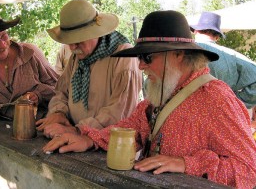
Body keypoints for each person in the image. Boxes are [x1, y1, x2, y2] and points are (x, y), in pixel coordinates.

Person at [42, 10, 256, 188]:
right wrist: (89, 139)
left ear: (178, 54)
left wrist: (186, 164)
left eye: (147, 57)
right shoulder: (160, 95)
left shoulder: (216, 99)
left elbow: (249, 171)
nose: (141, 66)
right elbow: (130, 128)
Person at [36, 0, 142, 138]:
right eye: (69, 41)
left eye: (78, 40)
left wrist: (78, 130)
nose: (72, 47)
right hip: (75, 139)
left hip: (108, 145)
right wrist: (59, 113)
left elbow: (119, 113)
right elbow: (61, 92)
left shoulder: (124, 56)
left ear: (96, 33)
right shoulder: (78, 55)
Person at [190, 11, 256, 113]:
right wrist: (235, 102)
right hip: (220, 115)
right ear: (217, 37)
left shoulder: (182, 50)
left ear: (196, 31)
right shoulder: (232, 56)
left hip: (187, 115)